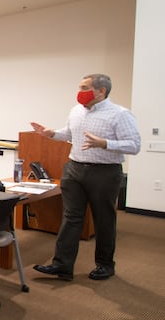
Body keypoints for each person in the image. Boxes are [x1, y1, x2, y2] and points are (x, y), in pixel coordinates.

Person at [30, 73, 141, 281]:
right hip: (74, 169)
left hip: (104, 172)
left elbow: (134, 145)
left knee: (104, 219)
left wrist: (105, 143)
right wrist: (51, 133)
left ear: (101, 91)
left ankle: (105, 265)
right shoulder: (76, 111)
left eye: (84, 88)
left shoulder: (120, 114)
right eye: (79, 87)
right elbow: (70, 134)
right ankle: (61, 265)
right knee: (71, 217)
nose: (79, 93)